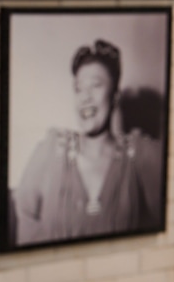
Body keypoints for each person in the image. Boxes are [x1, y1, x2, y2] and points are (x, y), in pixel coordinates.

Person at [12, 39, 163, 246]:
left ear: (115, 96)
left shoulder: (139, 154)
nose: (85, 97)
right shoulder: (51, 150)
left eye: (95, 85)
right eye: (78, 88)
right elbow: (25, 218)